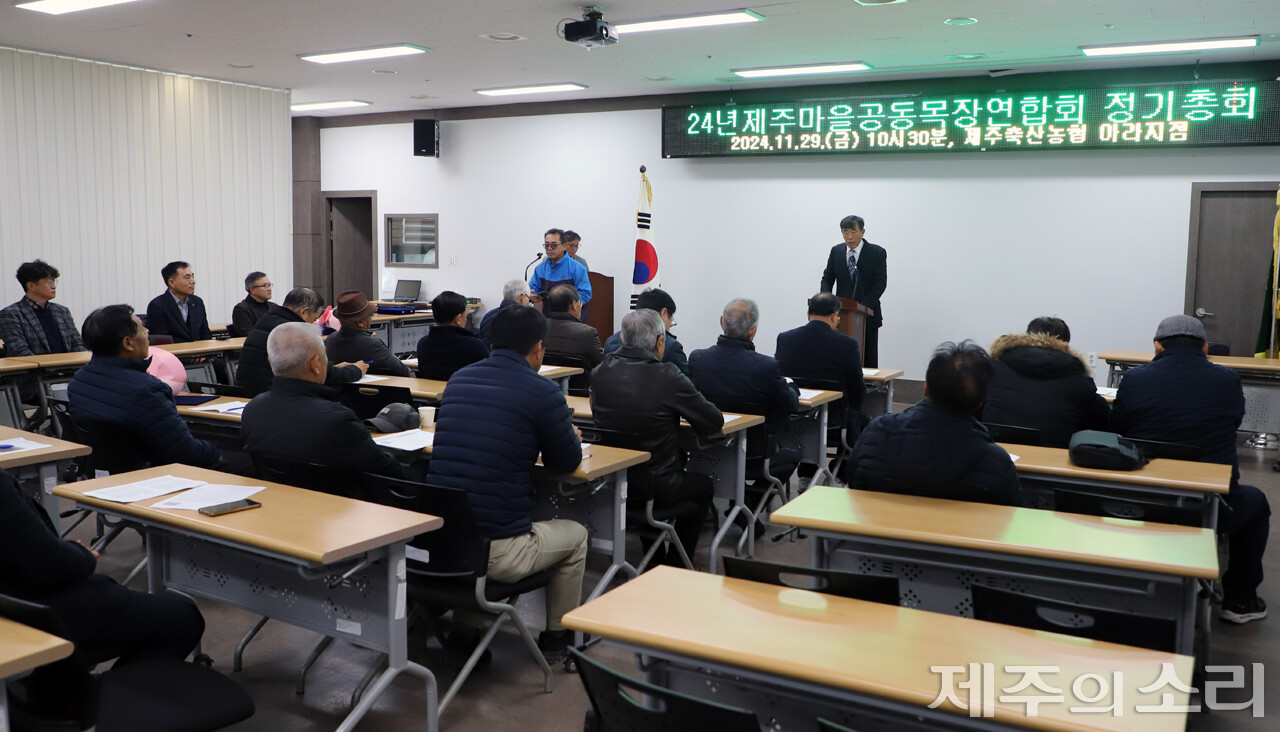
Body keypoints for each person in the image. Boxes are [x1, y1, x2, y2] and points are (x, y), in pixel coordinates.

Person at [428, 305, 587, 663]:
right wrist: (569, 434)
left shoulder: (460, 379)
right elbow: (566, 463)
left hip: (443, 543)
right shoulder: (543, 391)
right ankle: (558, 639)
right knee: (576, 535)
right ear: (538, 348)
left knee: (482, 511)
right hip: (496, 553)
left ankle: (468, 633)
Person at [1112, 314, 1271, 624]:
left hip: (1141, 505)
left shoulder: (1134, 379)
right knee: (1256, 503)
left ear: (1158, 346)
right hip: (1208, 507)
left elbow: (1119, 429)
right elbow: (1233, 423)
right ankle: (1240, 600)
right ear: (1206, 347)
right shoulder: (1227, 380)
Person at [0, 469, 204, 666]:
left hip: (18, 597)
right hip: (38, 609)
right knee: (184, 620)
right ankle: (109, 696)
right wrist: (83, 554)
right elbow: (49, 563)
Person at [592, 309, 722, 563]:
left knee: (645, 475)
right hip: (659, 485)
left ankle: (652, 558)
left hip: (612, 481)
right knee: (704, 485)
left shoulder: (599, 373)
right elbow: (712, 422)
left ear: (621, 337)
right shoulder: (668, 375)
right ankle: (675, 562)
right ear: (659, 342)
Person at [846, 341, 1024, 506]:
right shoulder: (995, 461)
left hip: (876, 537)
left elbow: (854, 485)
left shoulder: (876, 434)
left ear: (926, 389)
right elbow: (1012, 515)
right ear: (980, 402)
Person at [67, 305, 229, 470]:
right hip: (156, 476)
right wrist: (218, 453)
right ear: (128, 343)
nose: (147, 332)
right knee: (244, 461)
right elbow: (185, 453)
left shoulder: (78, 382)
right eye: (143, 329)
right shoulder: (146, 390)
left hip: (109, 473)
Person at [241, 323, 405, 479]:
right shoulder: (336, 419)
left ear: (271, 362)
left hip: (282, 500)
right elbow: (385, 470)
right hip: (342, 503)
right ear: (315, 364)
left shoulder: (252, 410)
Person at [689, 298, 801, 486]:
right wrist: (790, 388)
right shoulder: (766, 366)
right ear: (753, 331)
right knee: (793, 449)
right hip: (754, 454)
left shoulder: (698, 359)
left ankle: (745, 503)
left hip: (706, 448)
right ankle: (752, 500)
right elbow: (791, 405)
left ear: (721, 322)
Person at [983, 316, 1110, 447]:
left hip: (997, 448)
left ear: (1027, 336)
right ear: (1065, 343)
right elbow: (1101, 421)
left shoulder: (995, 366)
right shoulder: (1077, 376)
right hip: (1057, 453)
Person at [236, 287, 365, 396]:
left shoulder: (267, 320)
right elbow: (320, 373)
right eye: (314, 318)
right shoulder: (292, 332)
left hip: (250, 392)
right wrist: (356, 370)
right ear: (304, 312)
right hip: (273, 394)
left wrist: (331, 366)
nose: (314, 323)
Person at [775, 292, 866, 417]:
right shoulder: (848, 344)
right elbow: (857, 389)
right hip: (834, 417)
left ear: (808, 315)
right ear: (834, 316)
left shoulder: (784, 338)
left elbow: (780, 378)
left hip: (791, 414)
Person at [820, 215, 887, 367]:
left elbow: (880, 283)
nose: (849, 237)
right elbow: (827, 278)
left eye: (853, 232)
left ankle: (869, 387)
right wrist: (826, 301)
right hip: (840, 315)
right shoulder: (836, 251)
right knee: (839, 355)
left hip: (867, 314)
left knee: (867, 359)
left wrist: (862, 308)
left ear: (863, 232)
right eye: (845, 232)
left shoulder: (877, 253)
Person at [0, 259, 85, 357]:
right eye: (49, 283)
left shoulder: (62, 311)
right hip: (37, 371)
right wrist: (51, 369)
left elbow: (77, 344)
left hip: (69, 369)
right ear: (31, 286)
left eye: (54, 282)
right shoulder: (10, 314)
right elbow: (19, 351)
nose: (53, 286)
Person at [603, 287, 689, 375]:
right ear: (663, 313)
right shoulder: (671, 346)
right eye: (671, 319)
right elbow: (686, 385)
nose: (670, 325)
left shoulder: (611, 341)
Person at [325, 290, 410, 377]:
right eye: (370, 315)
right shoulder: (372, 345)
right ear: (360, 323)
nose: (371, 319)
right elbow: (403, 371)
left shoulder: (330, 340)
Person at [541, 284, 604, 391]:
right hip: (581, 394)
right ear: (574, 305)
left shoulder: (539, 328)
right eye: (580, 302)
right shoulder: (587, 333)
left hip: (545, 390)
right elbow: (602, 367)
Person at [416, 290, 489, 380]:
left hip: (430, 392)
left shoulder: (423, 344)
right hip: (462, 393)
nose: (466, 319)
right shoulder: (476, 346)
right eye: (465, 315)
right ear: (458, 319)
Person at [145, 261, 212, 343]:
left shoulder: (197, 302)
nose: (193, 281)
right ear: (172, 282)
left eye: (192, 277)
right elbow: (161, 340)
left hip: (201, 353)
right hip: (175, 354)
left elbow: (205, 333)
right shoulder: (157, 306)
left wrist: (204, 353)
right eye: (187, 278)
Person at [529, 228, 591, 306]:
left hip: (570, 315)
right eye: (547, 245)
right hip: (548, 315)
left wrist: (566, 303)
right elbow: (533, 289)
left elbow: (585, 294)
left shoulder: (578, 268)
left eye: (554, 245)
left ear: (564, 246)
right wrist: (531, 296)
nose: (549, 248)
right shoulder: (540, 268)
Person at [477, 279, 530, 347]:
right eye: (528, 299)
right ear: (523, 297)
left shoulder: (488, 316)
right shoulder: (525, 320)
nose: (529, 302)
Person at [228, 271, 272, 337]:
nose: (269, 289)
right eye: (265, 285)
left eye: (269, 285)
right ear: (253, 290)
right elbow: (247, 334)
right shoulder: (241, 309)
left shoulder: (273, 307)